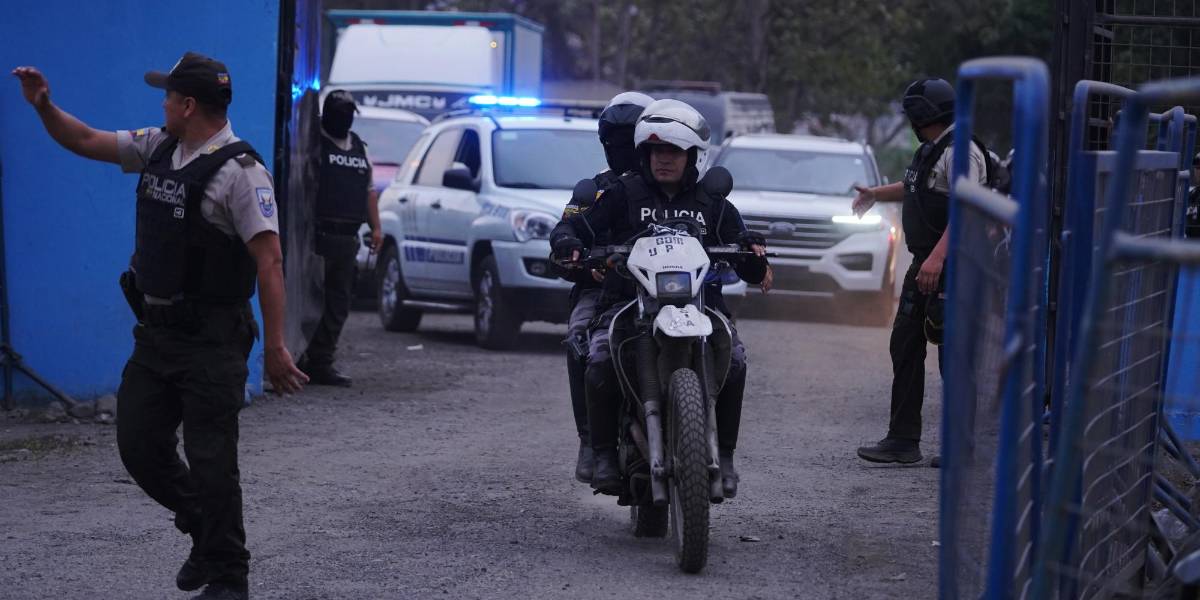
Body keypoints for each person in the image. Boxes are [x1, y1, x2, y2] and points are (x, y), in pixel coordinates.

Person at [13, 52, 308, 600]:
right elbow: (84, 140)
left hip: (213, 339)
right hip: (156, 335)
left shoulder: (242, 175)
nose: (163, 102)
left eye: (168, 95)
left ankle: (228, 576)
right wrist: (45, 107)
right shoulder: (159, 145)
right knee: (138, 444)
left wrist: (276, 347)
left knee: (213, 460)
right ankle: (203, 523)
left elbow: (269, 261)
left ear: (189, 104)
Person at [551, 99, 770, 497]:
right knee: (598, 355)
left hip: (698, 303)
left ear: (693, 156)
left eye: (672, 151)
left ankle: (726, 453)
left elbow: (746, 255)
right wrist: (567, 240)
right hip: (627, 302)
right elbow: (576, 228)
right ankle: (600, 452)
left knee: (735, 359)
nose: (663, 160)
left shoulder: (712, 204)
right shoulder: (620, 193)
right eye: (655, 151)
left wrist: (751, 249)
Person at [850, 78, 989, 465]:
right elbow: (917, 186)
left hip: (953, 267)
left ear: (920, 116)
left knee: (953, 356)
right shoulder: (936, 149)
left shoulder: (963, 151)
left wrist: (938, 259)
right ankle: (903, 441)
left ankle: (961, 449)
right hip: (926, 264)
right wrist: (877, 194)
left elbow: (968, 210)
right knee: (906, 344)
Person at [560, 91, 654, 484]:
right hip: (603, 289)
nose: (621, 148)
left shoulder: (677, 188)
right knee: (580, 339)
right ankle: (591, 442)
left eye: (628, 138)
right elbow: (566, 231)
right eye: (612, 141)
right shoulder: (594, 191)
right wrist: (574, 254)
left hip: (663, 289)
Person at [300, 90, 382, 387]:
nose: (345, 117)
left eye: (349, 112)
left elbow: (369, 191)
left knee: (339, 302)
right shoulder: (313, 144)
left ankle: (321, 361)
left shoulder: (359, 147)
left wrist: (376, 228)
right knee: (309, 300)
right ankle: (299, 357)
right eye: (340, 111)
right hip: (317, 236)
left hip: (347, 238)